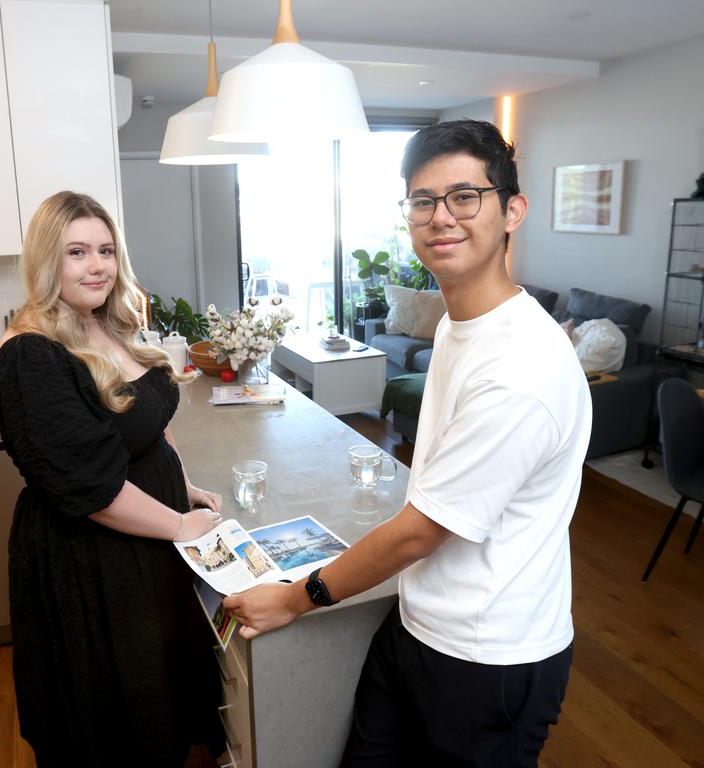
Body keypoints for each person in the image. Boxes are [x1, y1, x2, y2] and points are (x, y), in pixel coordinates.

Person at [224, 120, 592, 766]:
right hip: (420, 624)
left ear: (512, 211)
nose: (440, 217)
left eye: (464, 197)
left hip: (490, 659)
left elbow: (421, 531)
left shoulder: (522, 368)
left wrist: (293, 597)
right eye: (423, 201)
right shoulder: (459, 326)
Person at [0, 191, 227, 767]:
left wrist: (186, 485)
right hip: (94, 559)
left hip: (146, 537)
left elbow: (150, 425)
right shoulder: (30, 356)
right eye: (76, 252)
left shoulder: (105, 325)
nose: (97, 266)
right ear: (46, 261)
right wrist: (179, 524)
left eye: (105, 250)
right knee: (115, 708)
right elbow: (90, 487)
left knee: (158, 691)